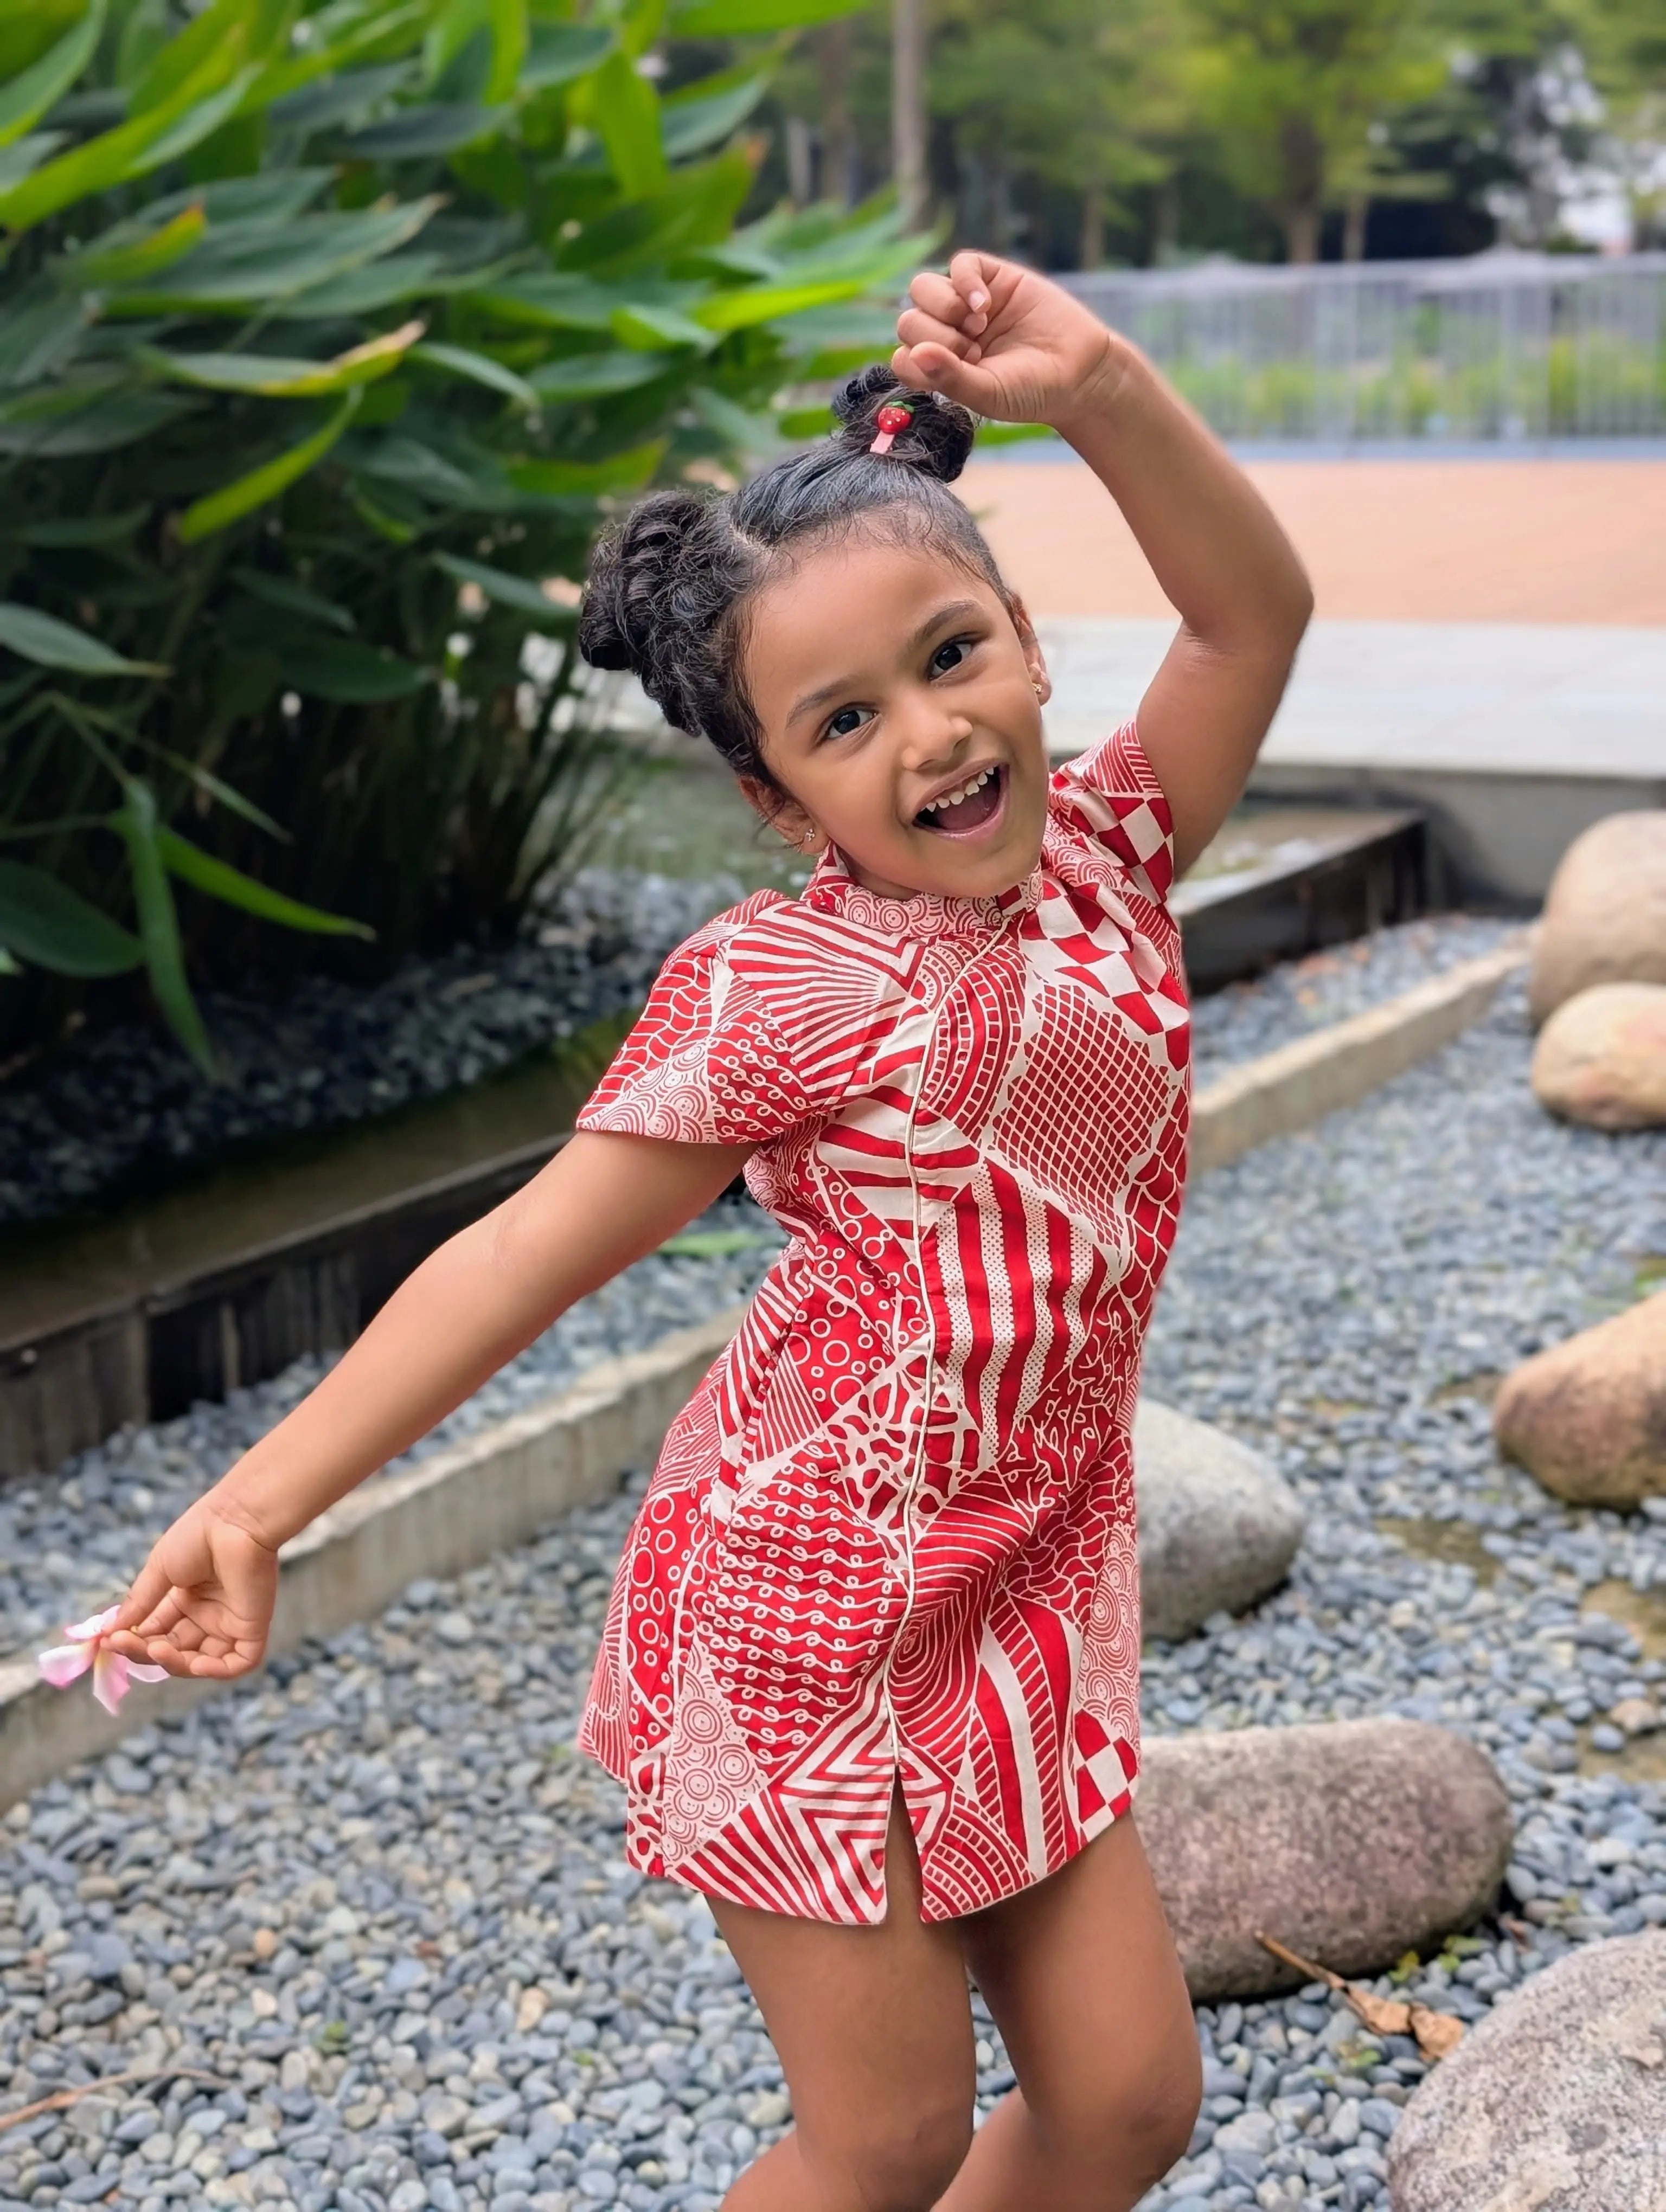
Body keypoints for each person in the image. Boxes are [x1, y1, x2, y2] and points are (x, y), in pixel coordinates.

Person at [102, 253, 1311, 2212]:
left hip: (1026, 1568)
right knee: (890, 2137)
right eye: (845, 721)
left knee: (1123, 2102)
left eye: (949, 655)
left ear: (1023, 638)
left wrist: (1100, 390)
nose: (926, 734)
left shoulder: (1115, 843)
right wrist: (257, 1503)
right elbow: (521, 1256)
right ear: (776, 796)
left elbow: (1252, 609)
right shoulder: (779, 989)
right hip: (808, 1606)